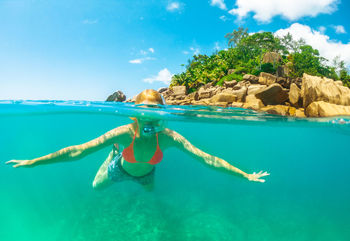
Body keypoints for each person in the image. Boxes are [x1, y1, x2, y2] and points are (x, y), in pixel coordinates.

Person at [6, 89, 269, 190]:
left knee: (150, 193)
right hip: (120, 169)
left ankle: (130, 168)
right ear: (135, 114)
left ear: (162, 113)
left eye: (154, 111)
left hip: (146, 174)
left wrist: (245, 175)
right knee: (95, 188)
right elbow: (78, 151)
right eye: (142, 111)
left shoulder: (169, 137)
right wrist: (33, 162)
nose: (148, 117)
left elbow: (207, 159)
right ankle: (113, 154)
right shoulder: (123, 133)